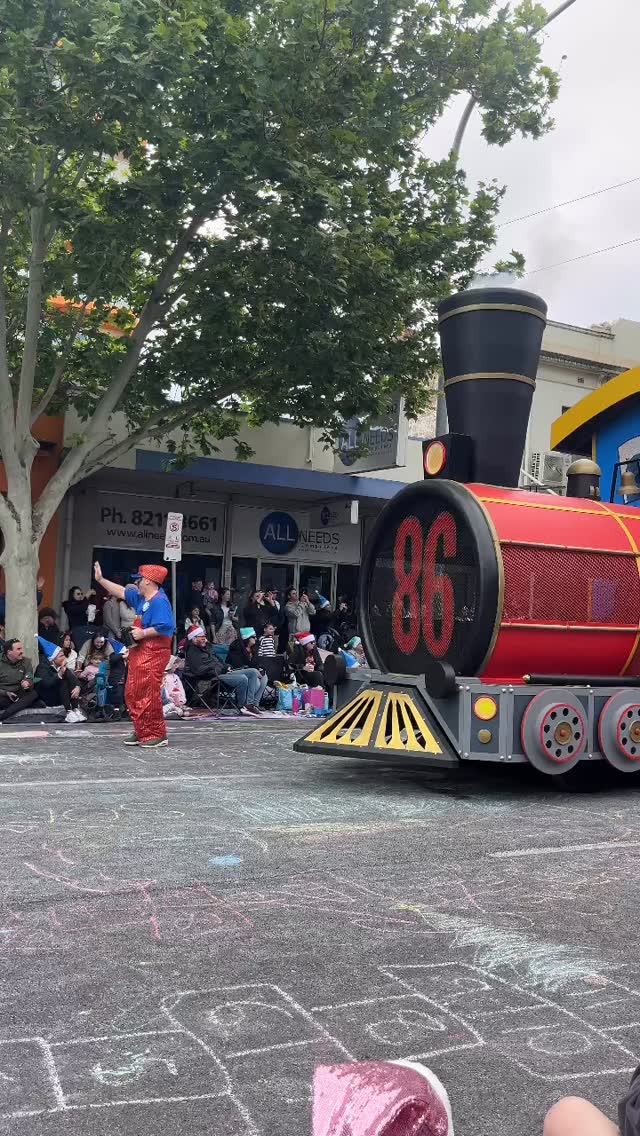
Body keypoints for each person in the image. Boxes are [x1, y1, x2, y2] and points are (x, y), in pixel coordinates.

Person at [94, 561, 175, 748]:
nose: (136, 583)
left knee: (148, 691)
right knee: (133, 691)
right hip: (139, 651)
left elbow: (166, 626)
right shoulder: (141, 599)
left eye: (139, 580)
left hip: (154, 652)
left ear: (148, 581)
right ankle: (142, 729)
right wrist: (101, 579)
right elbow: (121, 591)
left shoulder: (160, 601)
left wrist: (144, 633)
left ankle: (156, 733)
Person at [185, 626, 261, 716]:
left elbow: (219, 660)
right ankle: (241, 705)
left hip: (223, 672)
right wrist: (221, 669)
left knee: (253, 672)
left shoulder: (208, 647)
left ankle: (249, 703)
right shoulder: (192, 651)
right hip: (214, 676)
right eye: (201, 637)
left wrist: (226, 666)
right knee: (243, 678)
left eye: (204, 636)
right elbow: (199, 669)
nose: (204, 639)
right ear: (193, 638)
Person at [35, 636, 86, 723]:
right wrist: (59, 674)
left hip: (60, 695)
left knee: (70, 679)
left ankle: (75, 709)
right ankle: (68, 712)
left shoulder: (61, 666)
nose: (64, 658)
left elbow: (73, 678)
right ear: (53, 659)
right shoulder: (42, 667)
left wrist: (77, 687)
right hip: (47, 697)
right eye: (61, 656)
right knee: (63, 681)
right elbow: (46, 684)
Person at [227, 627, 268, 711]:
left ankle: (255, 703)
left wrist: (260, 670)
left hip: (250, 672)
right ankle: (249, 703)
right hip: (235, 671)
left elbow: (256, 663)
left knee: (264, 676)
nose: (256, 639)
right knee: (254, 675)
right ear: (247, 638)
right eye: (253, 637)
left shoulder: (253, 649)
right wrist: (255, 670)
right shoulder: (236, 647)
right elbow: (236, 664)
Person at [0, 639, 38, 722]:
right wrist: (6, 693)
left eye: (21, 648)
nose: (22, 651)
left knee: (33, 694)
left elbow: (29, 677)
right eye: (18, 649)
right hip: (3, 694)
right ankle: (22, 704)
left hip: (19, 693)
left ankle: (4, 716)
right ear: (9, 652)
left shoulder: (26, 662)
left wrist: (27, 682)